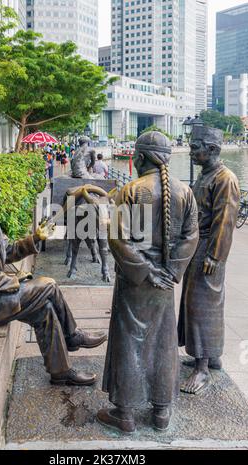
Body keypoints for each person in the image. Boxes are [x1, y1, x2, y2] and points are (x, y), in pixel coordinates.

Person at [0, 166, 107, 386]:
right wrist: (14, 281)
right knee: (48, 284)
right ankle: (73, 336)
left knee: (45, 310)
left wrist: (36, 238)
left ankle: (60, 372)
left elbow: (8, 251)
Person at [97, 131, 199, 433]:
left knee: (130, 340)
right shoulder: (185, 192)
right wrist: (170, 271)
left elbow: (118, 237)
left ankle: (125, 414)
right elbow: (191, 236)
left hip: (135, 282)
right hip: (166, 283)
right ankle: (161, 412)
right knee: (163, 342)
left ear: (139, 157)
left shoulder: (131, 190)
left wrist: (144, 271)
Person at [178, 126, 240, 395]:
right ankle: (209, 356)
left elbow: (225, 221)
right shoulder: (207, 174)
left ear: (212, 149)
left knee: (203, 304)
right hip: (197, 246)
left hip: (208, 250)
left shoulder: (225, 178)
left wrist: (216, 255)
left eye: (195, 147)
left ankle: (202, 369)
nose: (192, 151)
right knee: (193, 302)